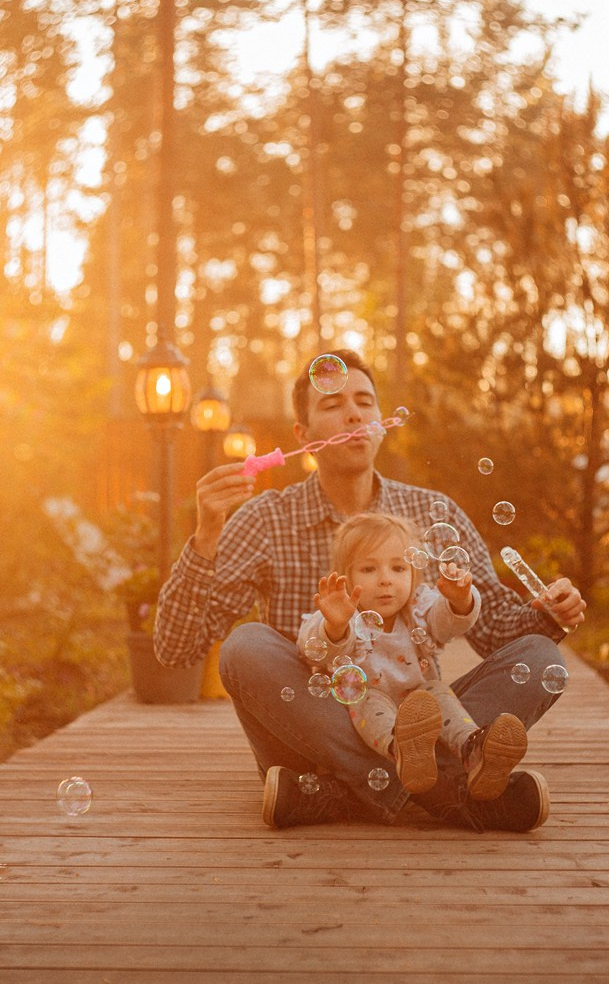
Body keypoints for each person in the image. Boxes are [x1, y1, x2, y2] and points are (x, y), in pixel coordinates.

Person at [154, 348, 587, 833]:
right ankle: (449, 794)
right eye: (333, 403)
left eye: (365, 401)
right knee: (244, 647)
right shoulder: (265, 518)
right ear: (303, 436)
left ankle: (339, 796)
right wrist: (206, 536)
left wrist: (549, 612)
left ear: (381, 422)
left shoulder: (430, 512)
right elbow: (177, 648)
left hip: (419, 715)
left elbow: (497, 634)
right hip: (309, 733)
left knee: (541, 657)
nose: (354, 412)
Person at [300, 511, 528, 800]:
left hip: (420, 702)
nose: (385, 580)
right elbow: (311, 644)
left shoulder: (419, 607)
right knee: (368, 699)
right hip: (366, 705)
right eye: (369, 570)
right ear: (346, 578)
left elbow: (445, 622)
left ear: (414, 574)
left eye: (398, 568)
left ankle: (474, 750)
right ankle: (404, 751)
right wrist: (334, 625)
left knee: (437, 692)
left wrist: (459, 601)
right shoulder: (341, 615)